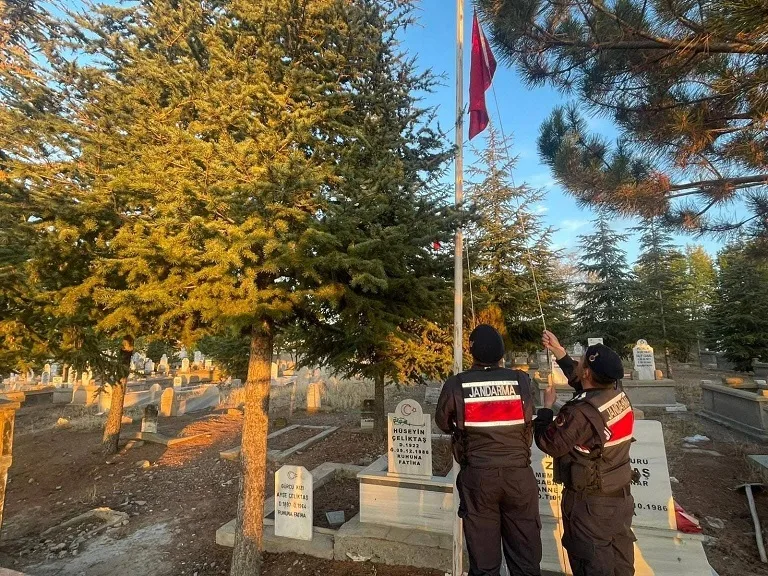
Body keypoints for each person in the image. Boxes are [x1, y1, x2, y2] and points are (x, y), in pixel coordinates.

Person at [436, 324, 541, 576]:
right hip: (518, 476)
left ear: (472, 352)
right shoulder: (520, 381)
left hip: (479, 478)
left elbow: (442, 422)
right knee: (525, 559)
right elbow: (528, 415)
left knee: (484, 562)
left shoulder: (457, 384)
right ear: (501, 353)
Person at [536, 330, 636, 576]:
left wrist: (546, 410)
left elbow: (549, 443)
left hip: (590, 505)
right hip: (619, 497)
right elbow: (583, 383)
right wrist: (559, 352)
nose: (578, 364)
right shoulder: (617, 395)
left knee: (591, 565)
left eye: (581, 362)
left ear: (588, 373)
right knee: (620, 565)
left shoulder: (580, 413)